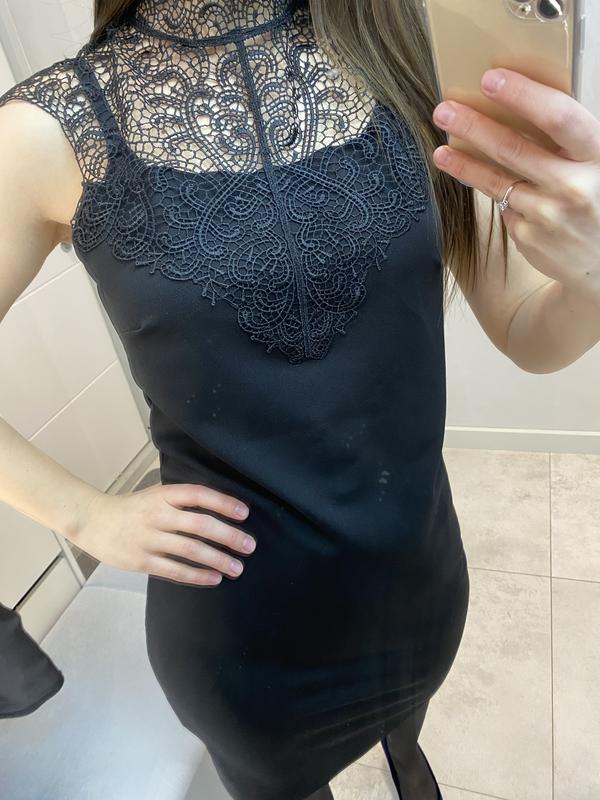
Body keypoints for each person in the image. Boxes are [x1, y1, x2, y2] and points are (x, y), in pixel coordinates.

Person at [1, 1, 599, 799]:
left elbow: (526, 328)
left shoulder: (408, 51)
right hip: (249, 649)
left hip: (421, 580)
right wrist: (83, 514)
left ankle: (404, 753)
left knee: (409, 719)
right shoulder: (49, 131)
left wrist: (594, 278)